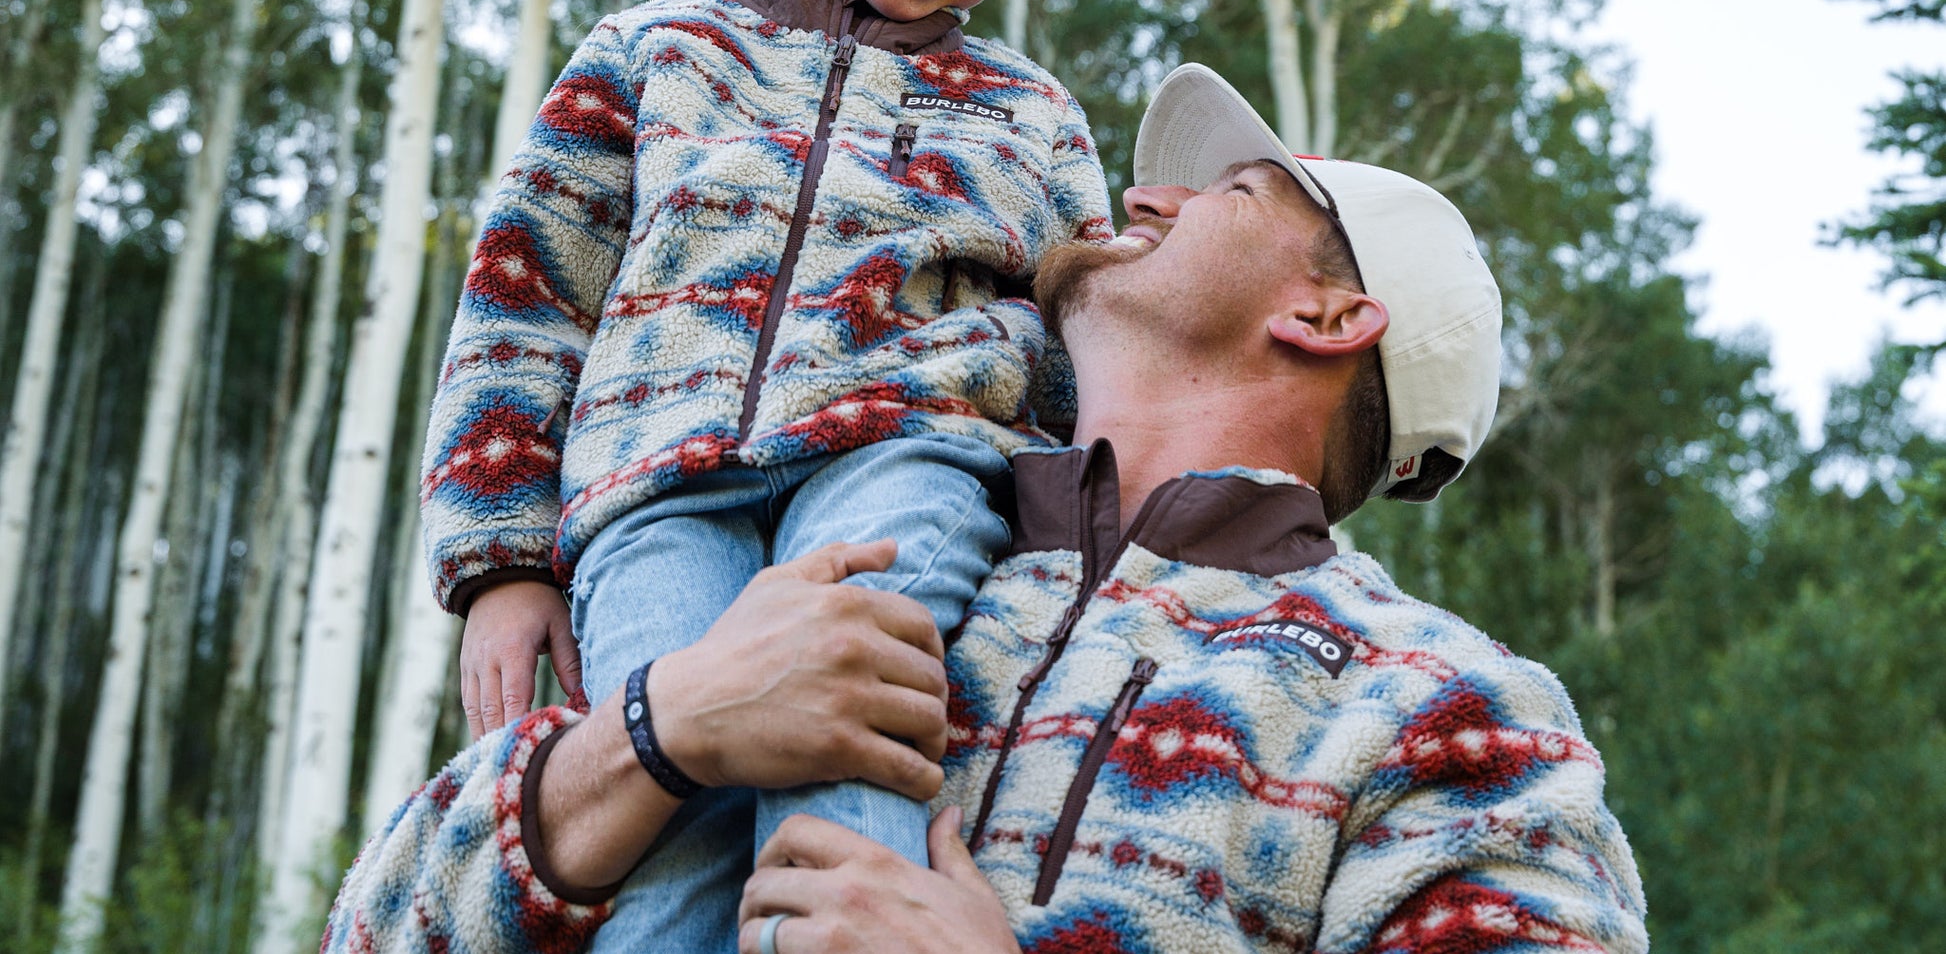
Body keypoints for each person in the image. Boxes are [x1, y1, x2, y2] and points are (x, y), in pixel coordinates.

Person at [335, 62, 1646, 954]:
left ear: (1323, 316)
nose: (1141, 197)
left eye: (1227, 193)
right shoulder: (781, 531)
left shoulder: (1447, 718)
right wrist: (653, 731)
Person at [420, 0, 1113, 953]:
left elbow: (1080, 361)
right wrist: (503, 561)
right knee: (668, 803)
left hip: (907, 457)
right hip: (652, 488)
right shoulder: (654, 50)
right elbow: (526, 301)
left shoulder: (1032, 114)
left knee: (844, 755)